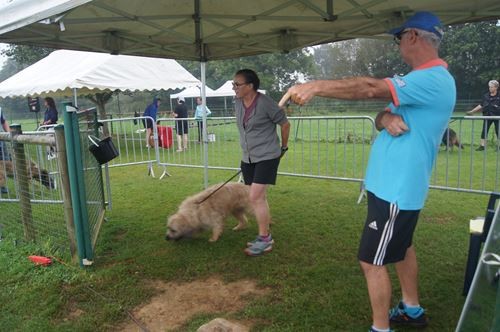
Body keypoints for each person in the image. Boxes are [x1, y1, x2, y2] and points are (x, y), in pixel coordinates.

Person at [281, 12, 455, 332]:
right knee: (402, 248)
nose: (399, 44)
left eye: (399, 37)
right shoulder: (419, 80)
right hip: (389, 187)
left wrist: (316, 86)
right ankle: (412, 310)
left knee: (371, 261)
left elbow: (369, 88)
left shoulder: (431, 79)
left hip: (396, 190)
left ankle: (380, 328)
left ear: (413, 37)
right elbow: (381, 114)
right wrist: (385, 120)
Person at [233, 69, 290, 256]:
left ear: (250, 86)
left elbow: (284, 123)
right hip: (248, 157)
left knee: (255, 197)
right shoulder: (238, 102)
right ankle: (265, 234)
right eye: (233, 84)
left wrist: (284, 147)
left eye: (237, 84)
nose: (234, 88)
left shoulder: (265, 103)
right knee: (259, 197)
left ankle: (265, 239)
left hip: (267, 155)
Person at [466, 80, 500, 151]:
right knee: (484, 131)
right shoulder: (486, 96)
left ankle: (499, 147)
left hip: (497, 117)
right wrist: (472, 111)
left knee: (498, 131)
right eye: (489, 87)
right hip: (487, 116)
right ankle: (482, 146)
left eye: (491, 87)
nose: (490, 88)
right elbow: (481, 105)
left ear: (496, 87)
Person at [0, 106, 11, 194]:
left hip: (1, 141)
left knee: (5, 163)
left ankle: (2, 186)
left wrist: (8, 134)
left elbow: (3, 122)